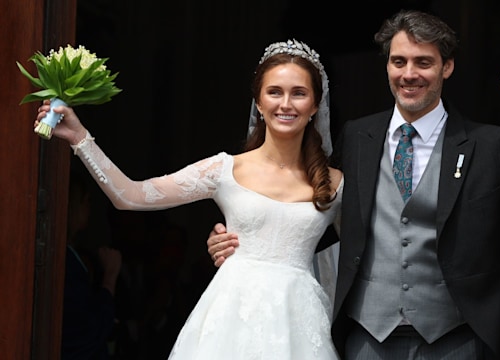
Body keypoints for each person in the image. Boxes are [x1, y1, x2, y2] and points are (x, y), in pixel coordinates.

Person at [206, 9, 500, 359]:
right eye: (399, 61)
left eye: (423, 62)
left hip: (455, 339)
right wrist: (247, 240)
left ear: (447, 67)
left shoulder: (490, 145)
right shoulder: (357, 138)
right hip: (365, 338)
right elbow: (314, 212)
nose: (409, 74)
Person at [35, 38, 343, 359]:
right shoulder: (224, 169)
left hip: (302, 327)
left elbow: (363, 255)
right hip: (230, 320)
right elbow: (130, 195)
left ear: (316, 105)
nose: (286, 104)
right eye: (275, 92)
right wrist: (79, 138)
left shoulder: (338, 184)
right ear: (259, 102)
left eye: (299, 93)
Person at [62, 171, 122, 360]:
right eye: (85, 201)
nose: (89, 208)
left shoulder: (76, 256)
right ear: (71, 206)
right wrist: (110, 278)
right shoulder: (65, 263)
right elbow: (89, 329)